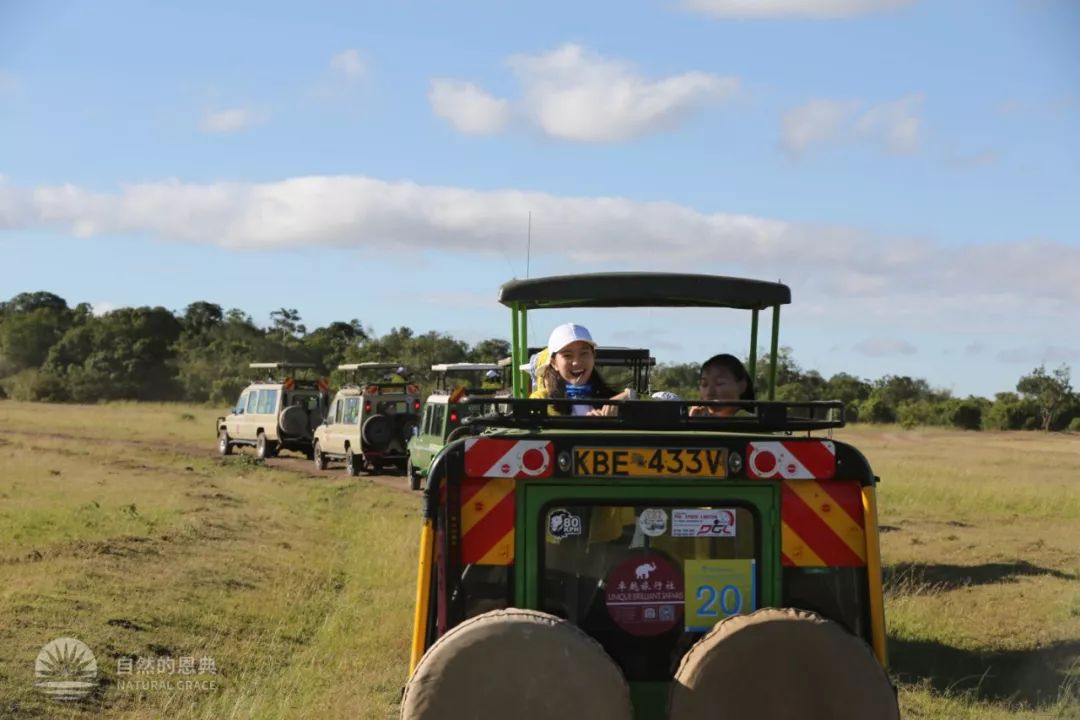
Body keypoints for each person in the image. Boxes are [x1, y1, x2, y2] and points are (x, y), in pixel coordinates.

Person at [530, 323, 634, 416]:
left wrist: (630, 396)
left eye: (584, 353)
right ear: (554, 363)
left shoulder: (610, 397)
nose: (577, 362)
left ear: (593, 356)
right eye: (567, 355)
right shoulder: (541, 400)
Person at [689, 353, 755, 417]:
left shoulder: (753, 422)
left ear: (741, 386)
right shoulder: (696, 419)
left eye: (719, 383)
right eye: (704, 384)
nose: (709, 392)